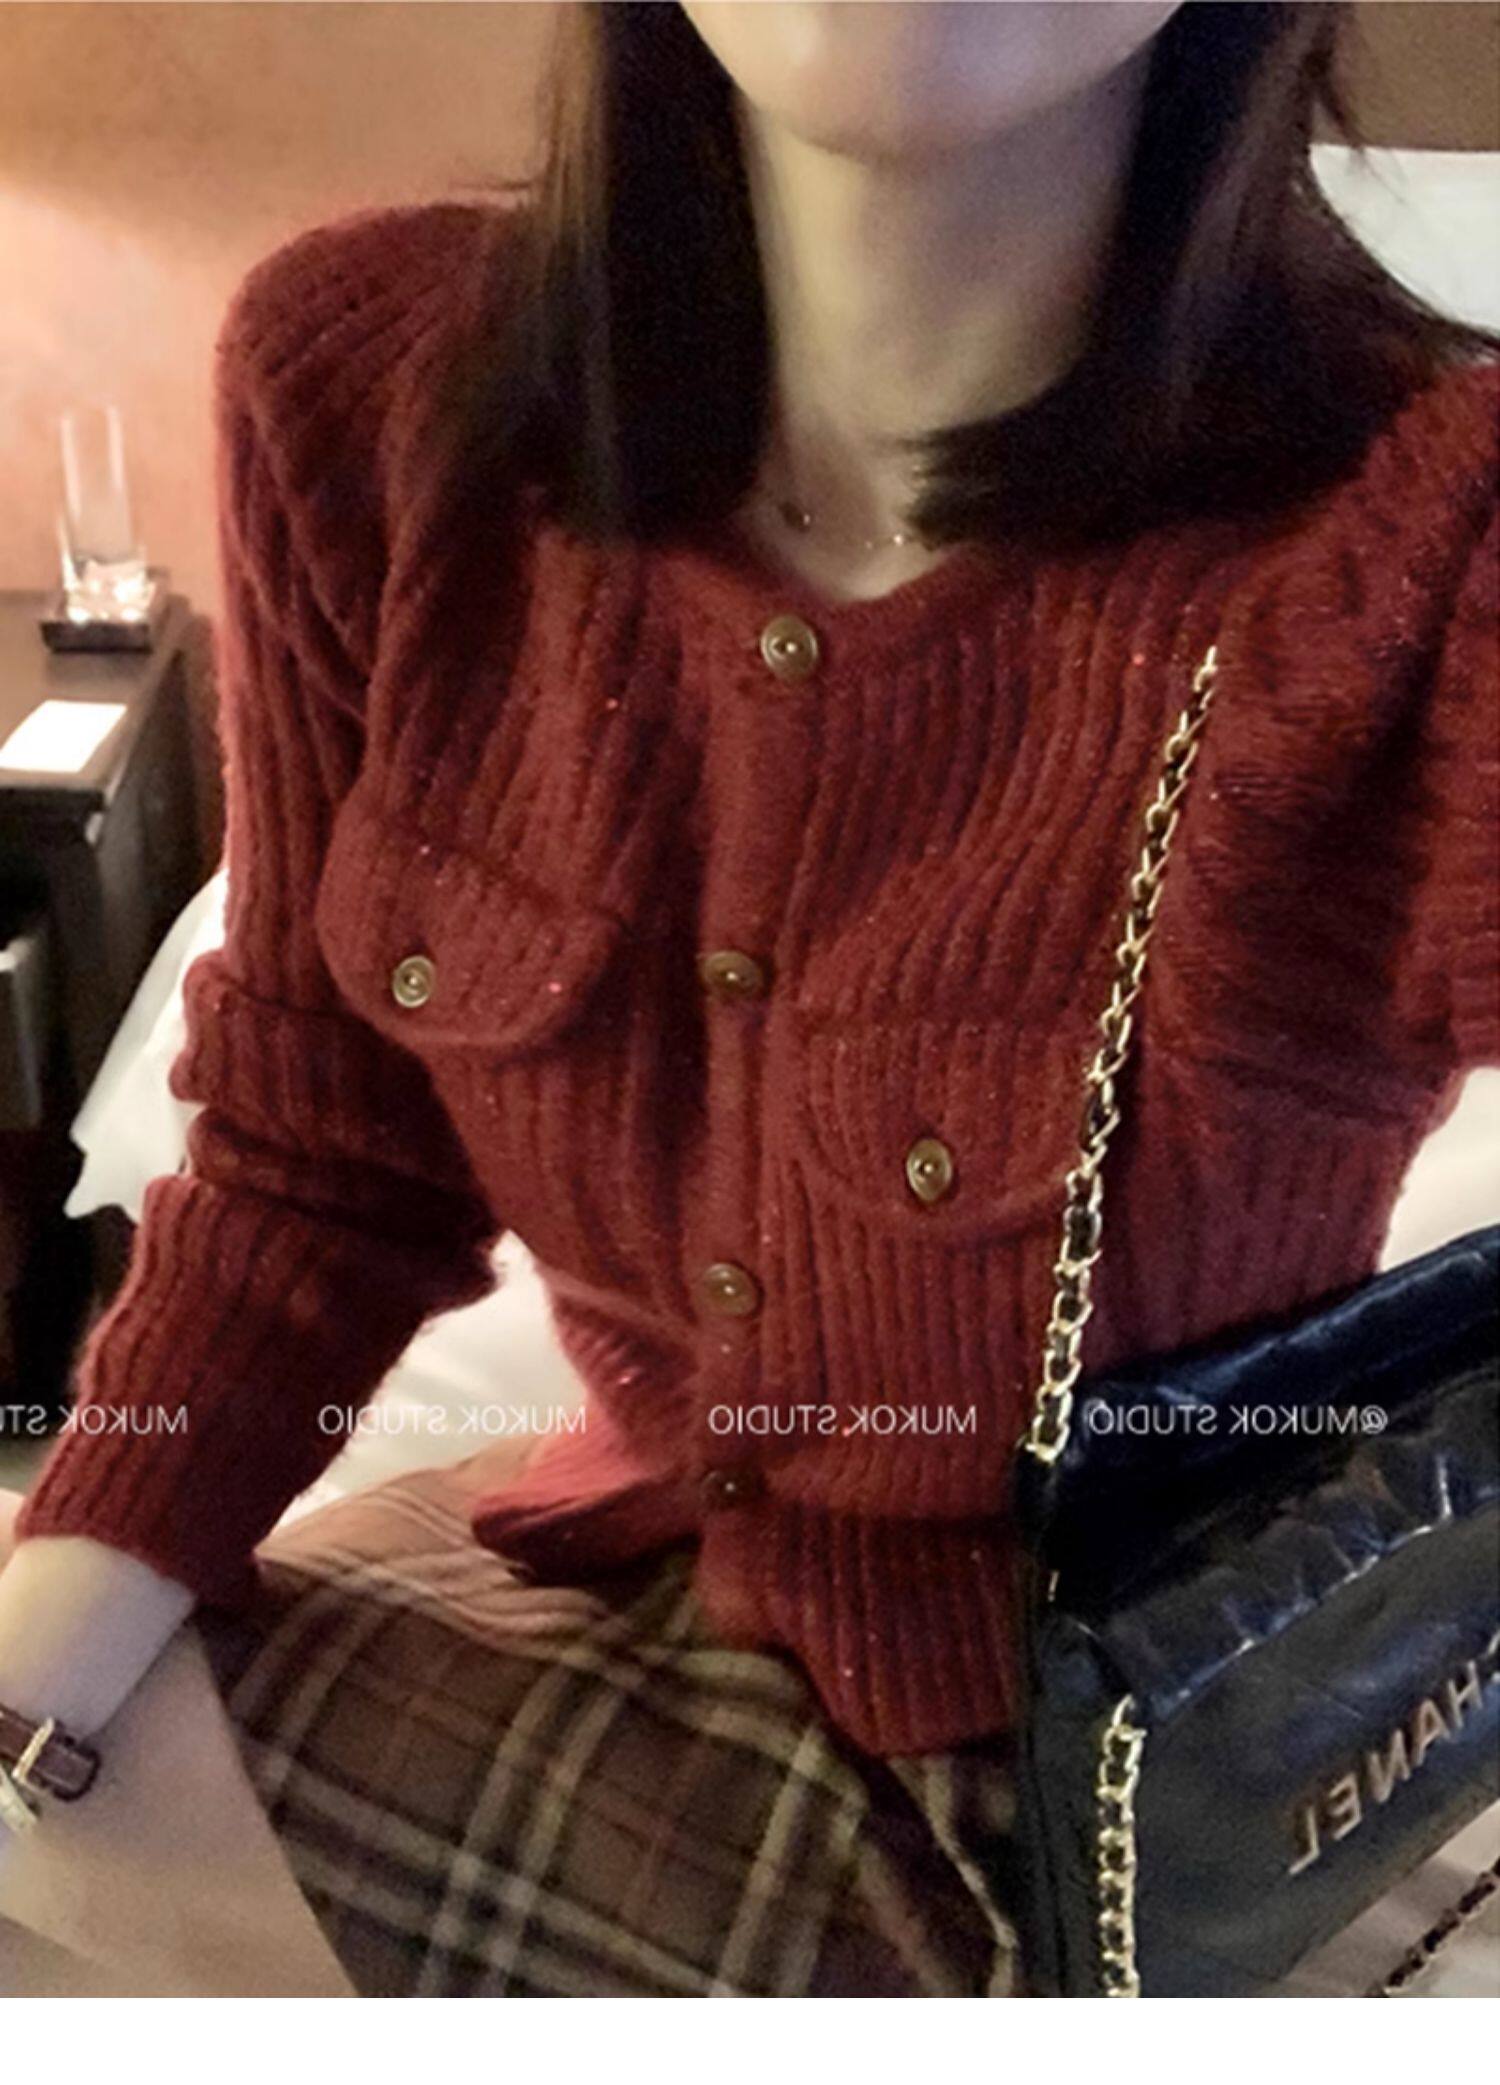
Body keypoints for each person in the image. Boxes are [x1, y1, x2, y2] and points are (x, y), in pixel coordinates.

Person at [0, 0, 1496, 1997]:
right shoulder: (373, 397)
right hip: (602, 1558)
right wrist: (32, 1675)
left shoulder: (1425, 550)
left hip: (1083, 1789)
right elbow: (317, 1159)